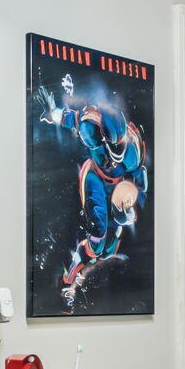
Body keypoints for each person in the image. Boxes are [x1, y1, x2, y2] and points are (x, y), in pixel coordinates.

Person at [38, 73, 148, 307]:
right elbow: (71, 118)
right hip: (95, 177)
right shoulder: (90, 127)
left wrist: (131, 207)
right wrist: (53, 113)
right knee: (98, 234)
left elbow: (140, 184)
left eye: (119, 147)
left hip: (119, 185)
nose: (115, 156)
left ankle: (94, 260)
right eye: (112, 147)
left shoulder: (133, 151)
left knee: (108, 246)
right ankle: (69, 280)